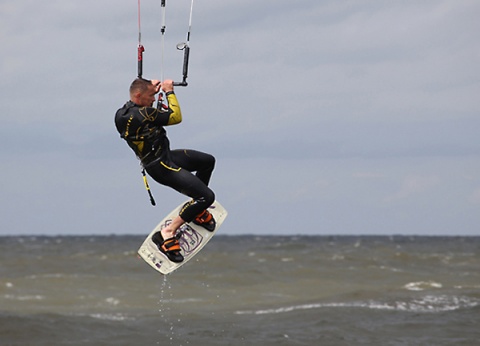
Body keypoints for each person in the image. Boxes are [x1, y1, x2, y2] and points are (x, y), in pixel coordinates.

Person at [115, 78, 216, 263]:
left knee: (207, 161)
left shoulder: (122, 113)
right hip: (161, 167)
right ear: (139, 95)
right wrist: (169, 91)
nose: (154, 99)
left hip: (166, 156)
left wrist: (148, 85)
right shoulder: (144, 113)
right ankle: (167, 233)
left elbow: (139, 95)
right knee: (206, 197)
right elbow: (175, 117)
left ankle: (197, 212)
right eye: (152, 95)